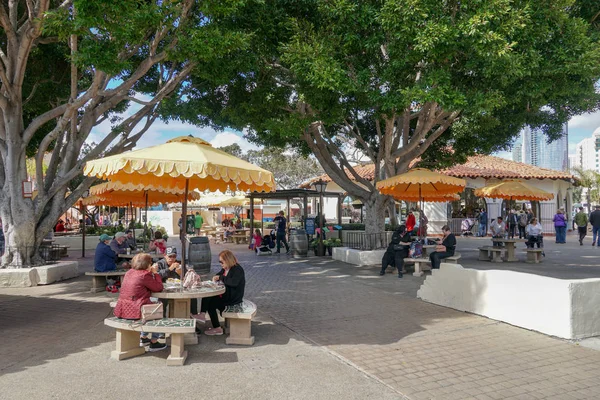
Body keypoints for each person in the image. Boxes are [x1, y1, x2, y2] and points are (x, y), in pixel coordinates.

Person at [113, 253, 167, 352]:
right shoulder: (144, 275)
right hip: (136, 309)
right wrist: (155, 273)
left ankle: (144, 337)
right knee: (158, 309)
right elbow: (158, 288)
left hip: (122, 308)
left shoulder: (129, 272)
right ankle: (154, 342)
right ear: (147, 264)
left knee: (151, 305)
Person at [202, 250, 245, 336]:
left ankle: (209, 321)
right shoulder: (226, 268)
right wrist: (216, 277)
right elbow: (219, 275)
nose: (221, 264)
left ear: (228, 260)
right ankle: (203, 315)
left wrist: (221, 277)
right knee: (207, 296)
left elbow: (234, 282)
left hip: (233, 298)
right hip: (226, 295)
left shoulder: (237, 269)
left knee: (210, 302)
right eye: (220, 262)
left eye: (222, 262)